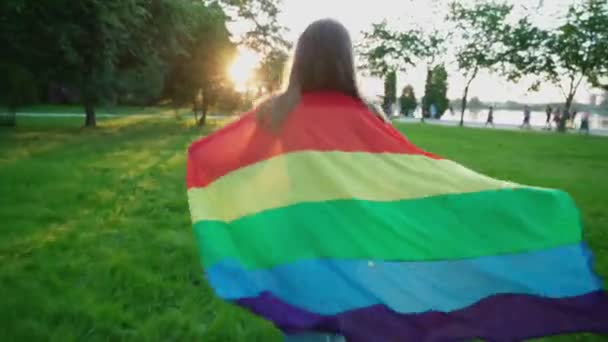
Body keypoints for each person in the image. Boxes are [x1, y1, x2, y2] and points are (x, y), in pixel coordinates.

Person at [186, 19, 608, 342]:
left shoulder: (274, 113)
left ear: (299, 59)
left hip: (297, 251)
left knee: (306, 324)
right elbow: (400, 177)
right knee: (353, 320)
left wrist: (205, 159)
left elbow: (244, 169)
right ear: (345, 60)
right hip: (358, 251)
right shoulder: (367, 113)